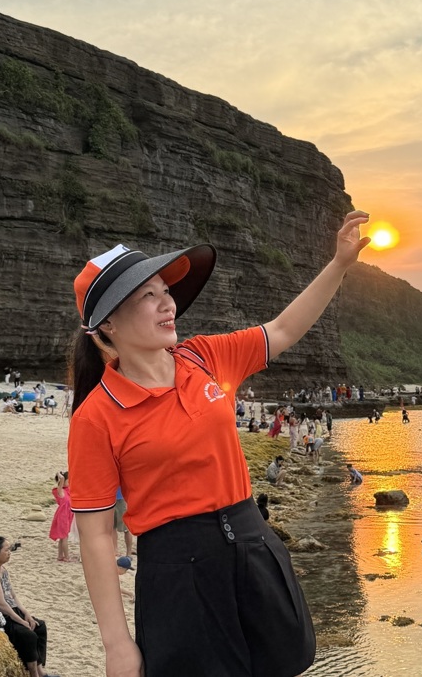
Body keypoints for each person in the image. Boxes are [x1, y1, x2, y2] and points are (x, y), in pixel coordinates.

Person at [67, 213, 369, 676]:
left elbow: (283, 330)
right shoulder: (96, 416)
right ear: (107, 325)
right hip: (177, 576)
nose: (167, 303)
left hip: (253, 547)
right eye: (147, 296)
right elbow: (96, 534)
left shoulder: (203, 357)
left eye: (165, 291)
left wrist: (340, 264)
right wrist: (117, 644)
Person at [0, 536, 56, 677]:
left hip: (8, 611)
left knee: (39, 626)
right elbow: (0, 604)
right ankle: (33, 673)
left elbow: (13, 596)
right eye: (6, 550)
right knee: (28, 635)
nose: (9, 552)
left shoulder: (2, 570)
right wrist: (21, 621)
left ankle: (41, 671)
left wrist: (26, 614)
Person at [50, 472, 74, 562]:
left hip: (67, 515)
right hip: (62, 516)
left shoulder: (67, 490)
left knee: (62, 537)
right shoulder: (60, 491)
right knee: (64, 538)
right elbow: (62, 480)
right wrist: (60, 476)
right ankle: (67, 557)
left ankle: (60, 556)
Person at [113, 488, 135, 557]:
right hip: (110, 498)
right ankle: (115, 550)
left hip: (121, 498)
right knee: (112, 527)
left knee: (126, 528)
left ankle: (128, 552)